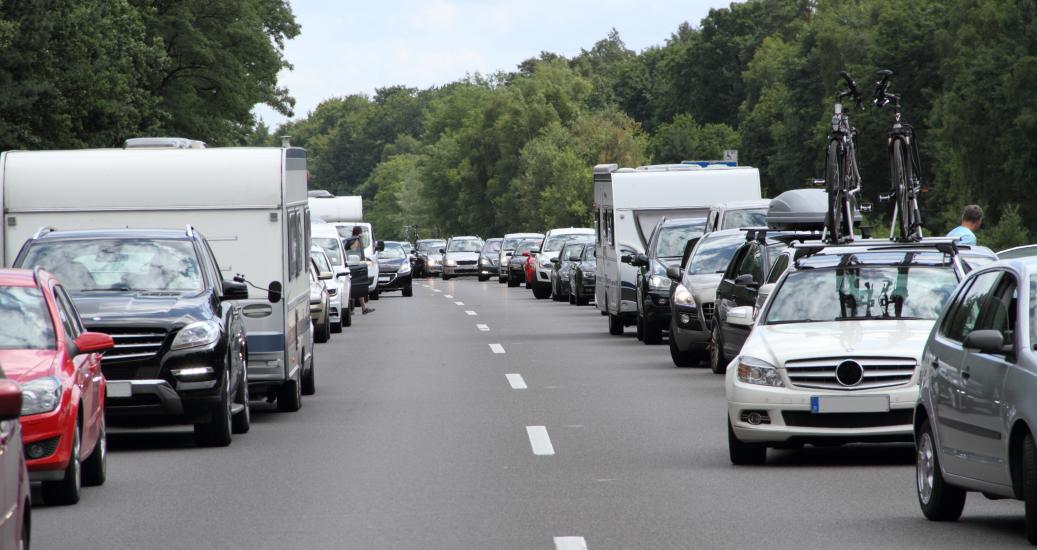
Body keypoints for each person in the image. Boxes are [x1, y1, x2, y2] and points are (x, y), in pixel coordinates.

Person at [348, 226, 374, 315]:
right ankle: (350, 309)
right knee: (353, 288)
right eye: (361, 232)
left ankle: (364, 308)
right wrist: (357, 240)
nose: (362, 234)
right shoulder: (355, 240)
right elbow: (353, 249)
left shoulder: (358, 240)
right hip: (354, 264)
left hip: (358, 264)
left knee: (359, 287)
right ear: (358, 233)